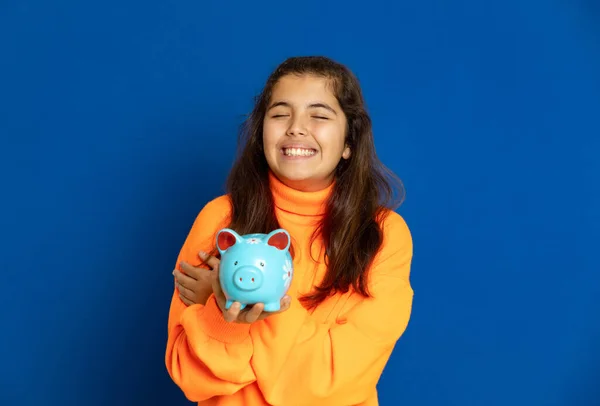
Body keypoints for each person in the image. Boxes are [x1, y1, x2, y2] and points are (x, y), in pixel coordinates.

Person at [166, 55, 414, 406]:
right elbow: (188, 376)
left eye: (319, 115)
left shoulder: (382, 234)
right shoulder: (219, 219)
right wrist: (226, 320)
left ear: (348, 142)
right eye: (280, 113)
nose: (296, 127)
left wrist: (229, 296)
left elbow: (333, 383)